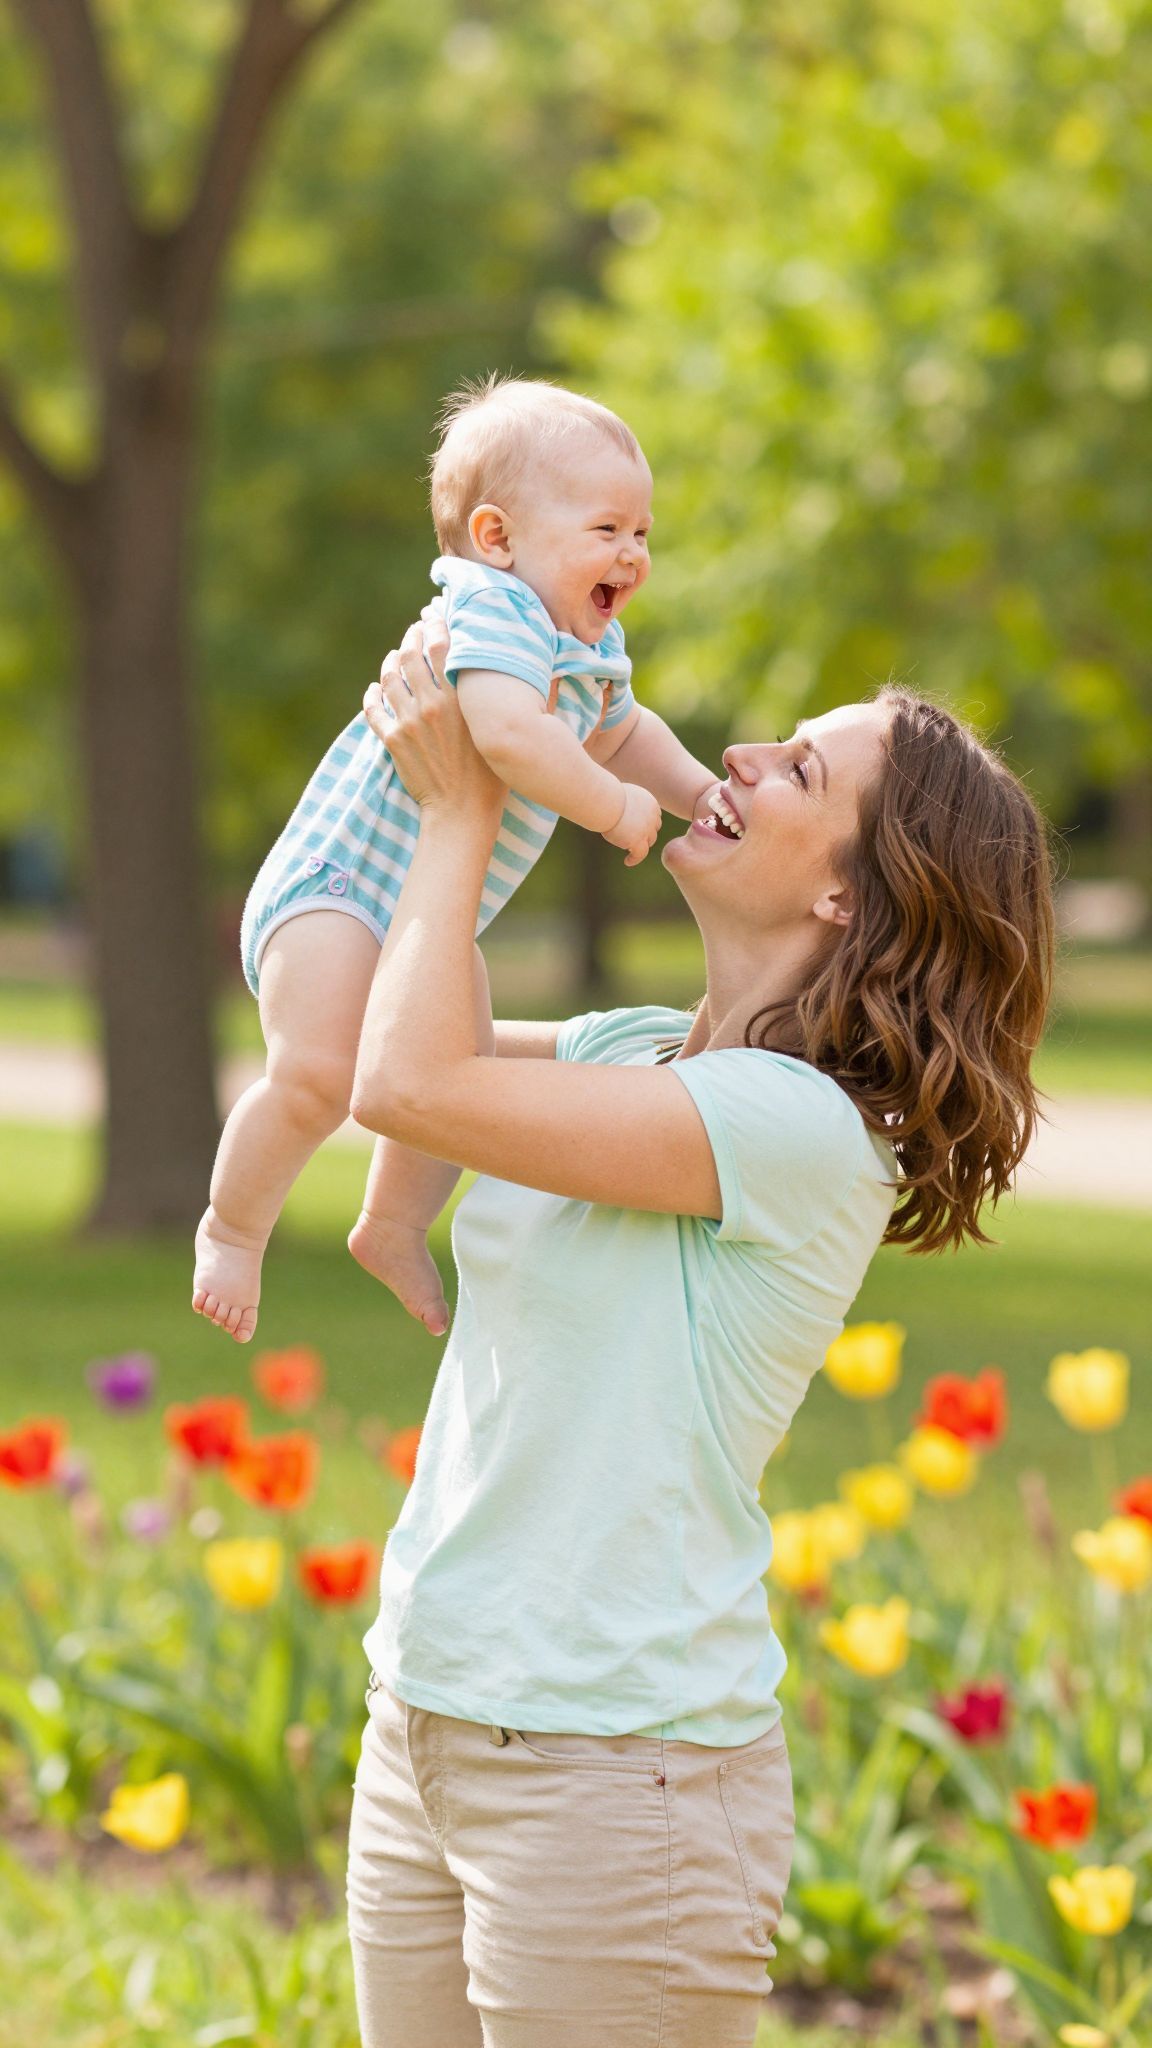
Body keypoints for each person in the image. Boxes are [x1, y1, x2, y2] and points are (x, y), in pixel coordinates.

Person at [342, 618, 1055, 2048]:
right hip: (428, 1714)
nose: (737, 754)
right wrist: (495, 709)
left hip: (617, 1781)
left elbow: (408, 1084)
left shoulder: (799, 1130)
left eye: (798, 767)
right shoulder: (633, 1050)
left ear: (855, 898)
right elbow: (390, 1015)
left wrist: (466, 812)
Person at [192, 378, 713, 1344]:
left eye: (642, 532)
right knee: (317, 1073)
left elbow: (625, 729)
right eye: (606, 529)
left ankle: (391, 1226)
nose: (633, 554)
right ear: (497, 537)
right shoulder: (494, 611)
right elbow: (510, 737)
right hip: (339, 889)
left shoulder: (584, 641)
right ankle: (231, 1228)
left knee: (454, 1081)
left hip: (429, 912)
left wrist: (696, 794)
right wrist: (614, 810)